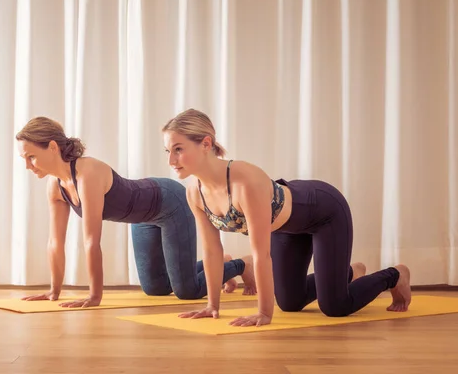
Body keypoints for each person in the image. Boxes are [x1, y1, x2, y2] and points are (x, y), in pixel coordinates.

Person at [161, 108, 411, 327]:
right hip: (285, 228)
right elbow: (212, 252)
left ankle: (394, 275)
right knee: (290, 302)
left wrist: (263, 313)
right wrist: (212, 306)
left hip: (323, 211)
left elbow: (261, 255)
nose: (171, 160)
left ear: (206, 143)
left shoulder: (245, 181)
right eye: (168, 151)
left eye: (178, 149)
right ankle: (348, 272)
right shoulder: (195, 193)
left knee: (335, 306)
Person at [15, 116, 256, 308]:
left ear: (53, 147)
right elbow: (55, 243)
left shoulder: (87, 173)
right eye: (24, 159)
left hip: (168, 202)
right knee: (156, 287)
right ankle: (218, 264)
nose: (27, 165)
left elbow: (91, 242)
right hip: (141, 218)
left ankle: (241, 265)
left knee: (187, 291)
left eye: (31, 157)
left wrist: (94, 296)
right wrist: (53, 291)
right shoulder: (55, 186)